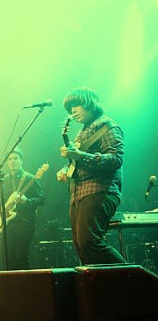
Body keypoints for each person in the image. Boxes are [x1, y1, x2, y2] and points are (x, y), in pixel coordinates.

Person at [56, 87, 126, 265]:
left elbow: (116, 159)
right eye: (70, 107)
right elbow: (79, 161)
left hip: (99, 190)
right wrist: (66, 169)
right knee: (81, 247)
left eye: (76, 104)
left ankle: (132, 279)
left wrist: (79, 156)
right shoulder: (82, 132)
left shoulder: (107, 126)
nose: (73, 110)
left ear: (90, 104)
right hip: (78, 194)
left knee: (90, 242)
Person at [0, 146, 46, 270]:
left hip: (25, 222)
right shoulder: (4, 180)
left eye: (16, 158)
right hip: (8, 222)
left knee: (21, 256)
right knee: (9, 257)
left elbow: (41, 199)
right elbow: (3, 201)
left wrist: (26, 201)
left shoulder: (30, 178)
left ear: (21, 160)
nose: (13, 161)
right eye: (10, 159)